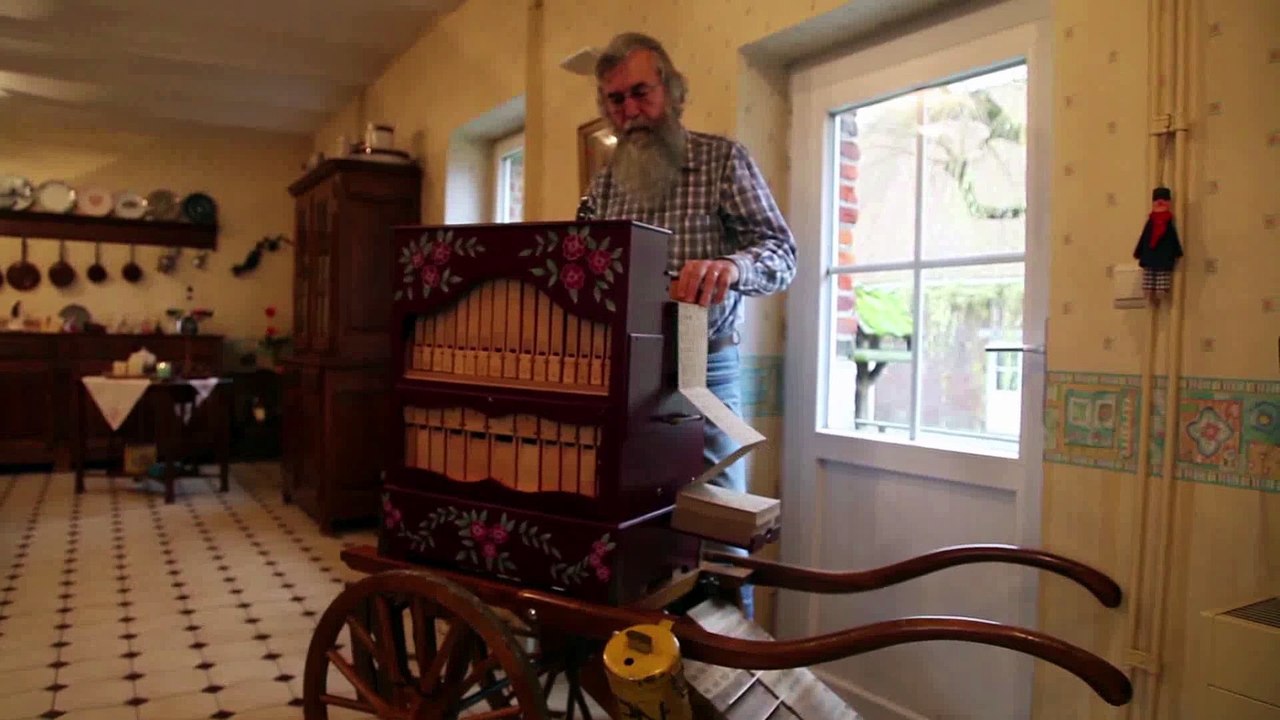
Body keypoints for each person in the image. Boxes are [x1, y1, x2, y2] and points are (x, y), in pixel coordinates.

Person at [579, 32, 797, 619]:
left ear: (672, 93)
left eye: (640, 93)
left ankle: (732, 661)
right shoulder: (602, 185)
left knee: (724, 525)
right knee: (632, 523)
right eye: (615, 101)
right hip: (624, 371)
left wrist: (731, 266)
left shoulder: (724, 160)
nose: (629, 112)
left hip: (706, 362)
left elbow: (782, 252)